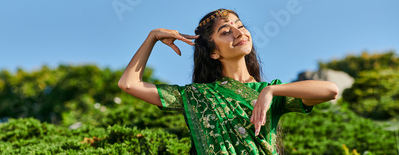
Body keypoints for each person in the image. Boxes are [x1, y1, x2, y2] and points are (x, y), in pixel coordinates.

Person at [118, 8, 338, 155]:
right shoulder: (196, 95)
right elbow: (128, 84)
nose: (237, 32)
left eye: (240, 26)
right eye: (226, 32)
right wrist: (153, 37)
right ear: (213, 52)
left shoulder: (270, 93)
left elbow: (330, 90)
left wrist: (270, 91)